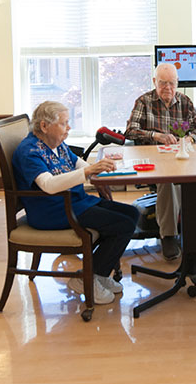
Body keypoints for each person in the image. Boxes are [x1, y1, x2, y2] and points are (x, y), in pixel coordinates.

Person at [13, 101, 140, 305]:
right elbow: (48, 185)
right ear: (44, 126)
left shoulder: (55, 143)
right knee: (122, 225)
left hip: (74, 202)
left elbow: (76, 163)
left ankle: (97, 274)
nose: (68, 128)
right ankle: (88, 277)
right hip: (51, 210)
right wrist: (88, 172)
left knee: (132, 214)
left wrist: (96, 169)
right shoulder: (29, 151)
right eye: (64, 123)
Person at [127, 63, 196, 261]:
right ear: (155, 81)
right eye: (163, 83)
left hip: (183, 157)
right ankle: (169, 234)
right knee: (168, 181)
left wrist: (189, 139)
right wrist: (157, 136)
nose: (168, 88)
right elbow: (130, 131)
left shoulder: (184, 101)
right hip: (156, 160)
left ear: (177, 83)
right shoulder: (144, 102)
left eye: (172, 83)